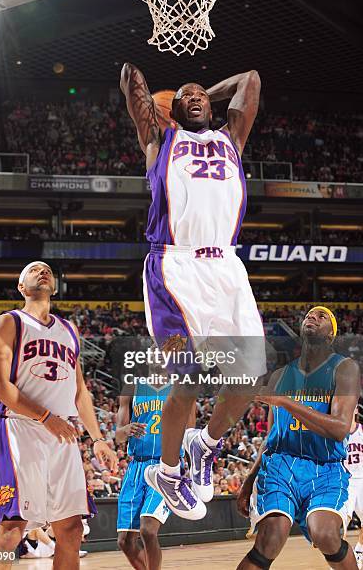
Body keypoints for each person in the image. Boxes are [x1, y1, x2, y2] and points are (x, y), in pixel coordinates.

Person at [120, 63, 265, 520]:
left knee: (248, 382)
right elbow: (131, 77)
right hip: (175, 265)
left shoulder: (231, 140)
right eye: (187, 96)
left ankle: (203, 445)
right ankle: (166, 470)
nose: (197, 97)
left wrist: (205, 92)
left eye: (202, 94)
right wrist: (166, 101)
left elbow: (251, 80)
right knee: (189, 376)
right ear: (175, 109)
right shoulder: (161, 143)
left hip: (226, 267)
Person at [0, 261, 118, 570]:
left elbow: (80, 390)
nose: (42, 271)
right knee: (12, 530)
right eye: (33, 270)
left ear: (55, 286)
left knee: (71, 530)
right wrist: (46, 417)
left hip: (64, 434)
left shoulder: (68, 329)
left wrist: (98, 439)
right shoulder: (9, 322)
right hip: (21, 429)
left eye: (46, 270)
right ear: (21, 287)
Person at [236, 307, 360, 570]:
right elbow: (272, 434)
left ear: (331, 336)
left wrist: (285, 401)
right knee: (271, 536)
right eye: (309, 314)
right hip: (282, 463)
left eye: (322, 316)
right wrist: (249, 480)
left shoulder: (344, 369)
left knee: (325, 533)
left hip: (325, 467)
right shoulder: (281, 375)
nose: (312, 316)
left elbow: (339, 428)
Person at [116, 368, 195, 570]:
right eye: (153, 349)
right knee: (125, 541)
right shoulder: (132, 386)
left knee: (148, 530)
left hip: (165, 466)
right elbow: (118, 435)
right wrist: (125, 430)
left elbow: (189, 434)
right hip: (136, 466)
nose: (156, 352)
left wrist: (190, 470)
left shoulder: (182, 388)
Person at [345, 401, 363, 569]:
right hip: (345, 482)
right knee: (340, 524)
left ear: (356, 409)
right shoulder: (337, 432)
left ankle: (359, 552)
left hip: (362, 479)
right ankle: (338, 559)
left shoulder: (362, 430)